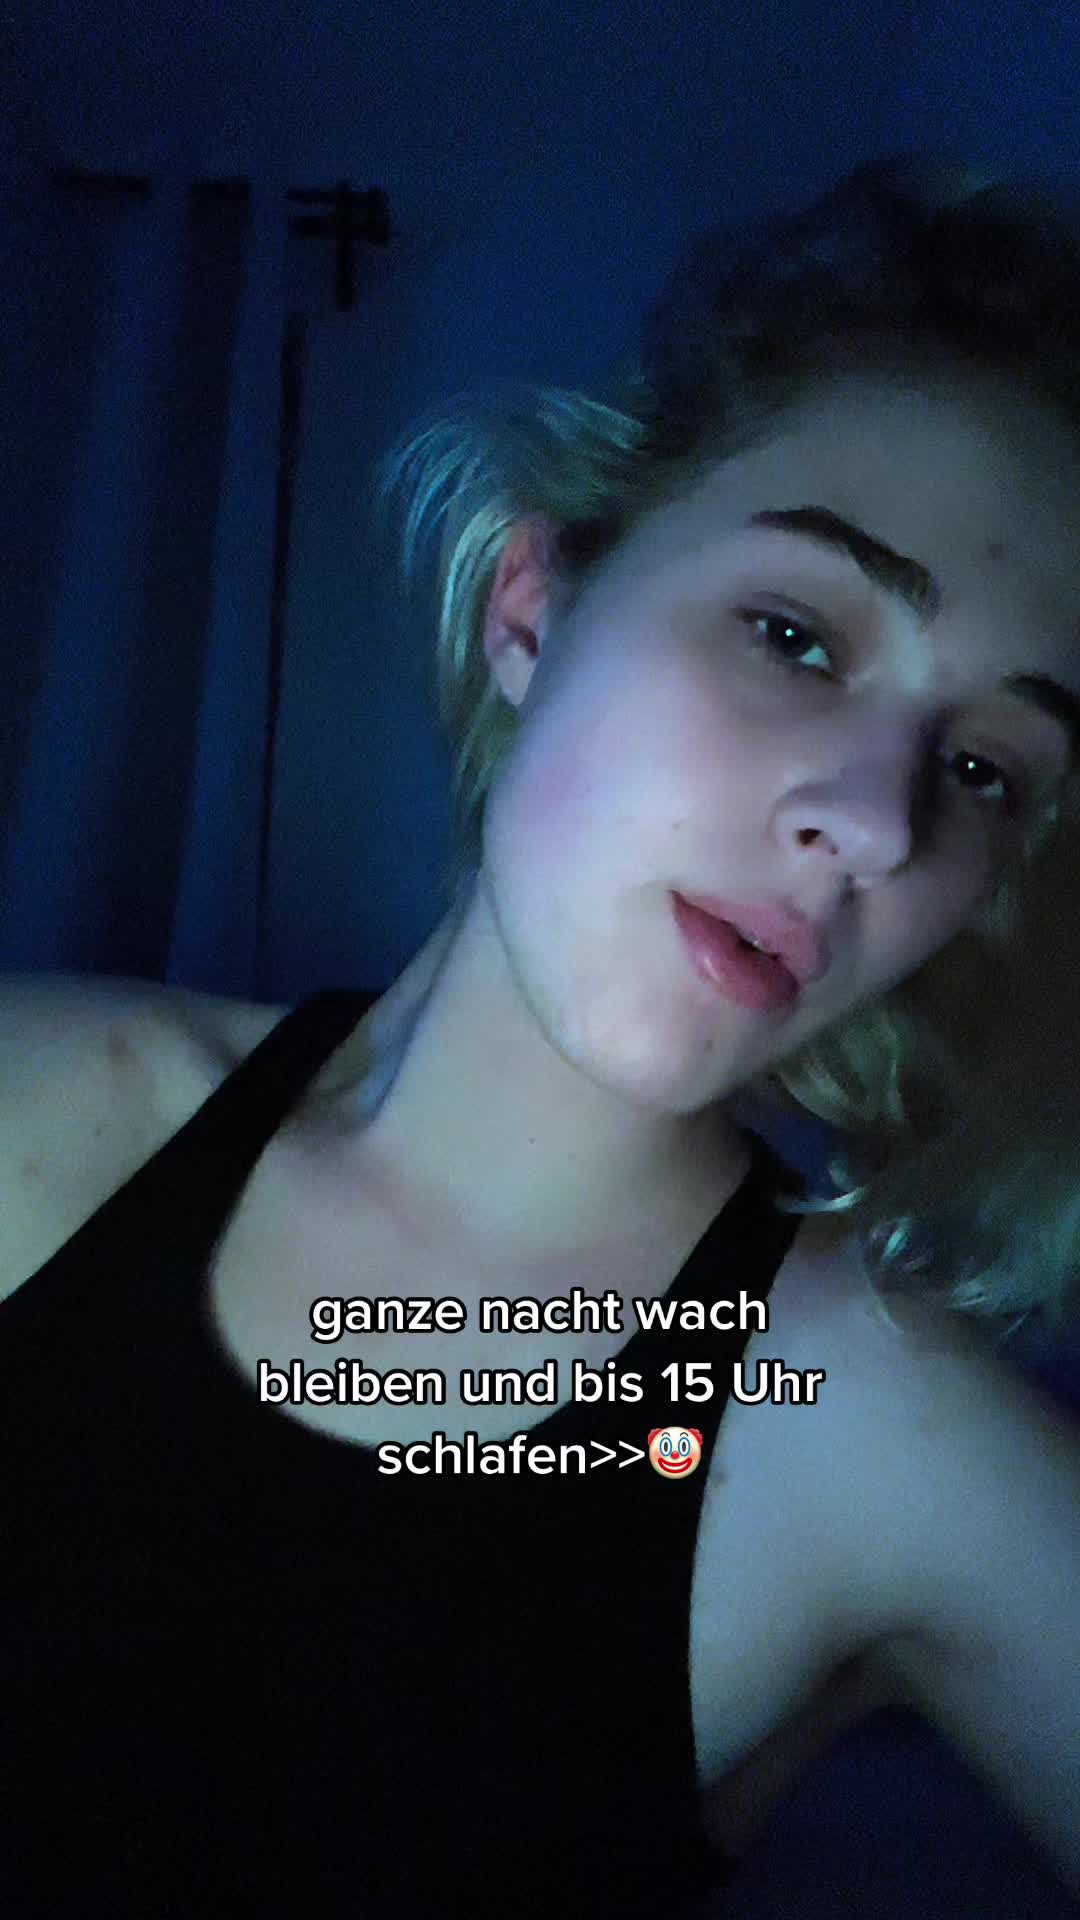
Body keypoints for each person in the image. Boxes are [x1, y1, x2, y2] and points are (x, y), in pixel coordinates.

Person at [3, 152, 1080, 1917]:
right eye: (798, 635)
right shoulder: (36, 1108)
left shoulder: (886, 1444)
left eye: (982, 770)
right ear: (535, 606)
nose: (878, 825)